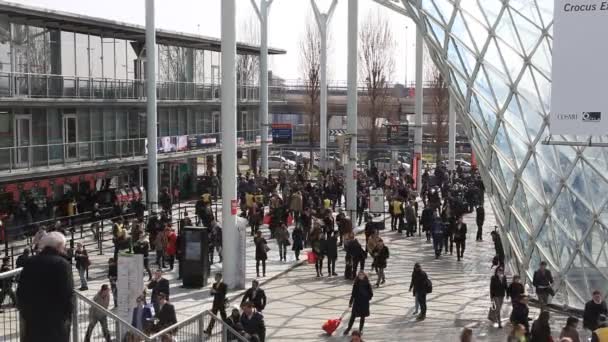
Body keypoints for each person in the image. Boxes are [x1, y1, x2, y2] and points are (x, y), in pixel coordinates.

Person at [17, 232, 74, 342]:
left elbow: (21, 292)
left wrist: (26, 314)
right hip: (55, 323)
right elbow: (67, 294)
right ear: (59, 246)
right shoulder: (62, 264)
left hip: (32, 322)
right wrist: (66, 317)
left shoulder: (30, 262)